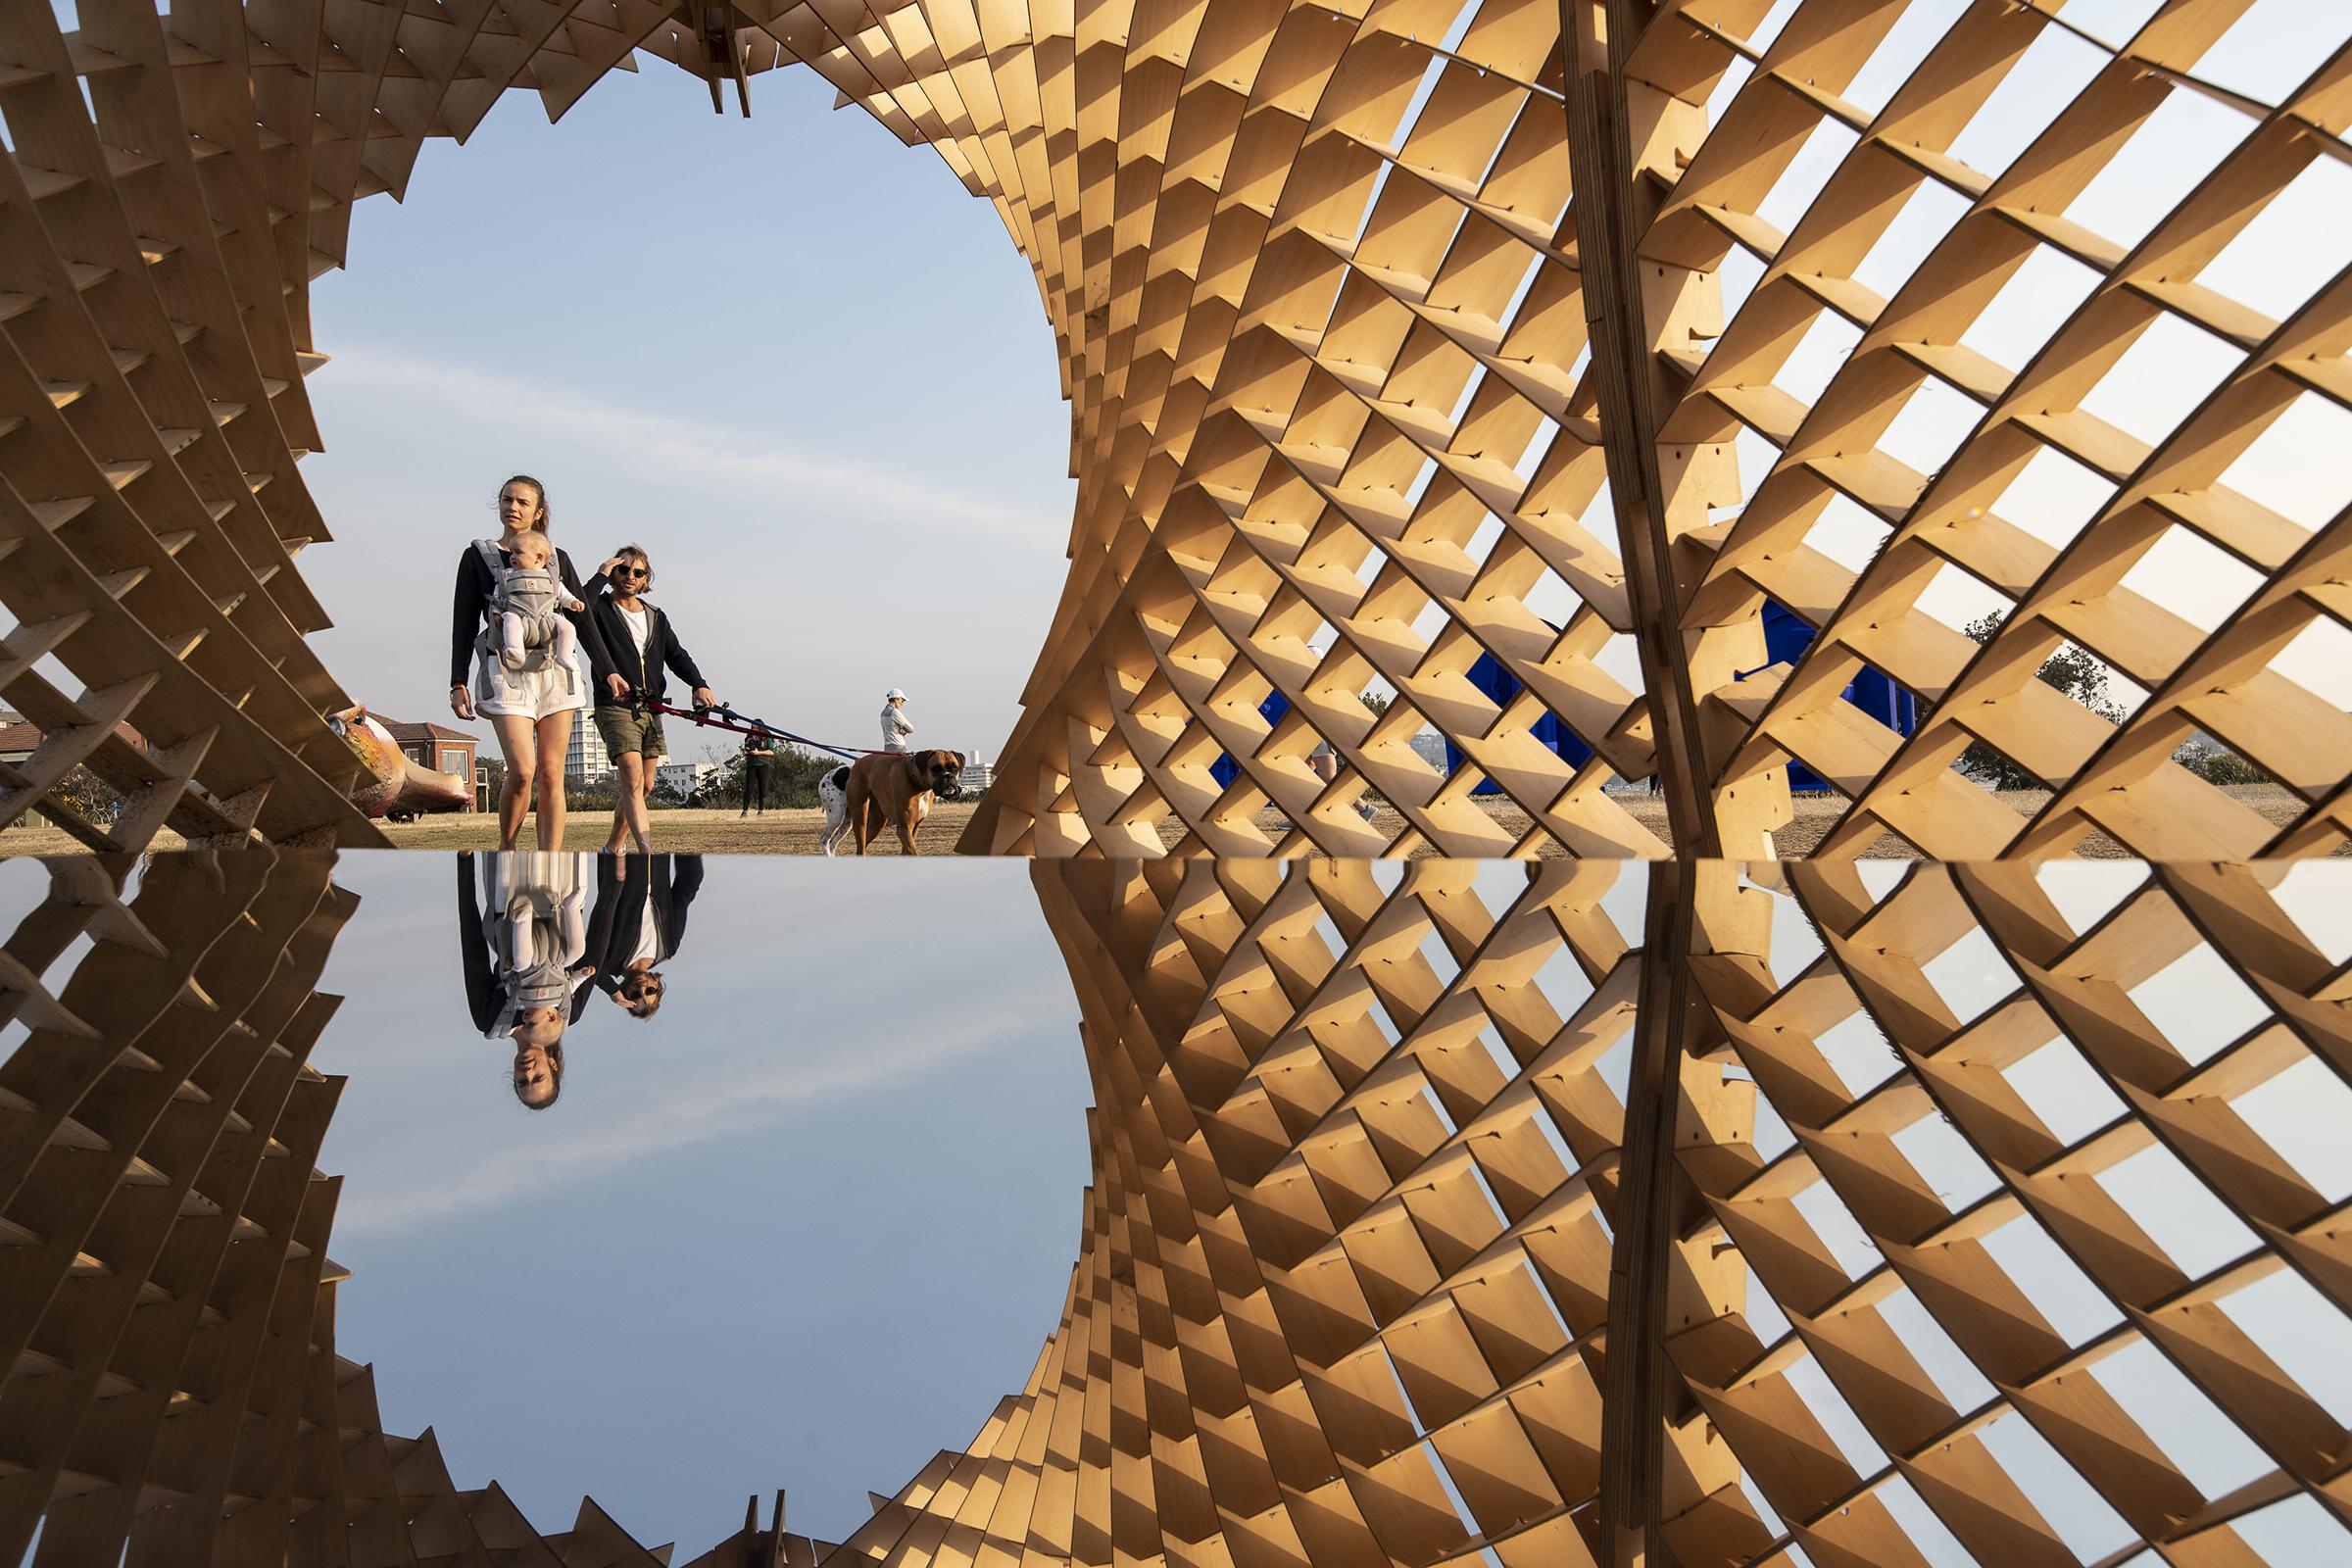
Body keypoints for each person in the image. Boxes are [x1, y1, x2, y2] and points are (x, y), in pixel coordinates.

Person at [448, 475, 626, 851]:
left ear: (539, 511)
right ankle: (508, 850)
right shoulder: (478, 556)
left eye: (522, 502)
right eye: (506, 499)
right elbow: (463, 622)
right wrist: (457, 680)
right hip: (506, 671)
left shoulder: (558, 559)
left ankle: (552, 864)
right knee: (523, 771)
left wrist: (608, 668)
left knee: (550, 774)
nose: (512, 507)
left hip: (555, 674)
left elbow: (582, 619)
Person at [585, 545, 715, 858]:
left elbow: (676, 655)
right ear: (614, 572)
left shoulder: (656, 616)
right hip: (615, 703)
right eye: (623, 569)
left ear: (646, 579)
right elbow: (579, 611)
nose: (630, 576)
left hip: (651, 706)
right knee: (631, 778)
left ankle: (613, 846)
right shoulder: (600, 607)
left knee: (645, 785)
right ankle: (646, 853)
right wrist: (600, 575)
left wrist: (699, 684)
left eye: (638, 572)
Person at [457, 851, 595, 1109]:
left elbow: (472, 946)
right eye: (538, 1077)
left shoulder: (491, 1021)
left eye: (522, 1082)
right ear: (554, 1066)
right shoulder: (567, 1014)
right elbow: (592, 956)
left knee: (508, 833)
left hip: (508, 902)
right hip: (562, 897)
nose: (527, 1072)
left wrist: (464, 863)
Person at [574, 853, 704, 1020]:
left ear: (625, 993)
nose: (641, 989)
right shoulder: (668, 947)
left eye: (635, 995)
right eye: (649, 992)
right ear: (657, 985)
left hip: (620, 854)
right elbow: (683, 894)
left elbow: (585, 962)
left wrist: (612, 990)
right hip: (657, 850)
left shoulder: (609, 961)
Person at [490, 532, 585, 684]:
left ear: (539, 558)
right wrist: (496, 614)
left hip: (546, 618)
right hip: (519, 616)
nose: (512, 556)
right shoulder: (507, 575)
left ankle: (564, 654)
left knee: (568, 627)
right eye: (512, 552)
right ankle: (516, 650)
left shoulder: (549, 577)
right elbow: (497, 598)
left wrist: (573, 603)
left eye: (518, 552)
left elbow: (563, 594)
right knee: (510, 621)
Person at [740, 730, 776, 816]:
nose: (754, 729)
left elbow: (771, 752)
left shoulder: (767, 738)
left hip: (763, 764)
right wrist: (745, 752)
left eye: (756, 727)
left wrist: (758, 752)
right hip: (751, 765)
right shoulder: (749, 737)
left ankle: (761, 811)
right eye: (752, 727)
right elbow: (746, 749)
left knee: (763, 788)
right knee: (749, 789)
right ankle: (744, 811)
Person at [880, 688, 913, 753]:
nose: (902, 703)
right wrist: (905, 731)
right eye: (902, 700)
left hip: (887, 747)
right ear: (896, 699)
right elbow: (911, 729)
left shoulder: (883, 713)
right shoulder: (895, 712)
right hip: (898, 747)